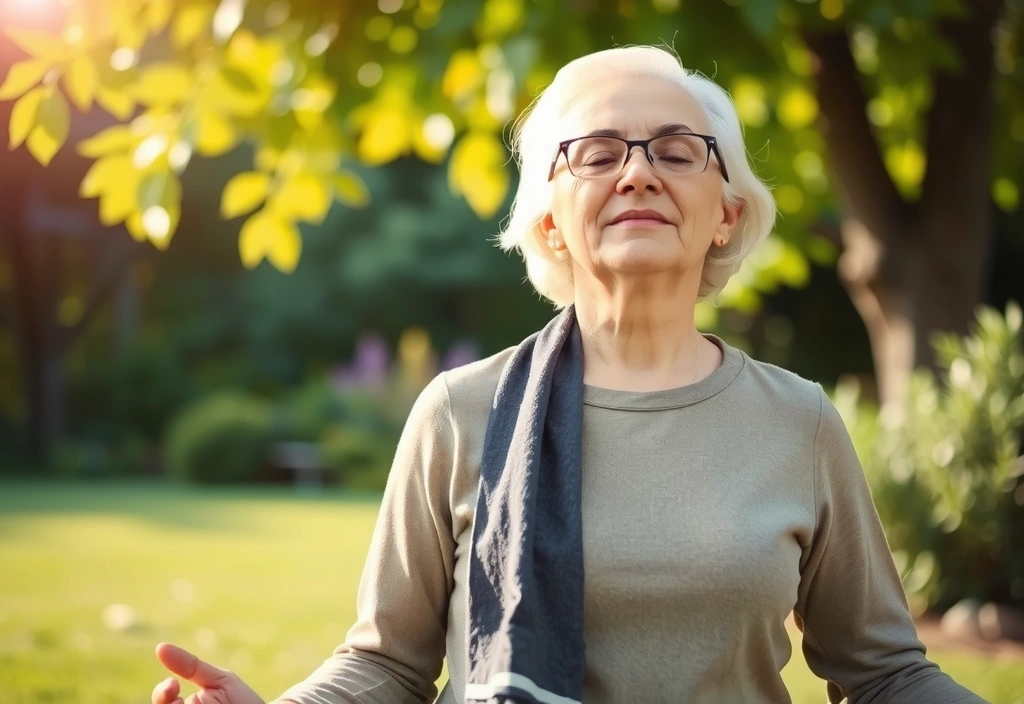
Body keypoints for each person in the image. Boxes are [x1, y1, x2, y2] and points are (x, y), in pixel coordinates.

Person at [151, 46, 988, 704]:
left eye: (675, 149)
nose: (637, 172)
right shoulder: (458, 412)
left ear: (727, 211)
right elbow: (389, 667)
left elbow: (884, 677)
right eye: (596, 153)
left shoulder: (797, 422)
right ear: (549, 219)